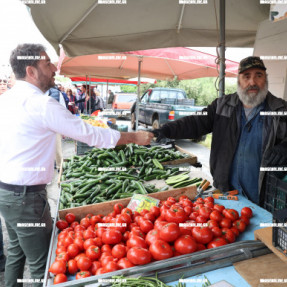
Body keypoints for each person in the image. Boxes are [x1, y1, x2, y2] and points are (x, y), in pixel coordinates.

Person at [0, 43, 153, 287]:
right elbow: (89, 134)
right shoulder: (42, 104)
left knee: (17, 254)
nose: (53, 69)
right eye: (47, 64)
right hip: (25, 199)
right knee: (43, 265)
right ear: (31, 70)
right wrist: (134, 137)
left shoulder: (6, 100)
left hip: (6, 192)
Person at [153, 56, 287, 206]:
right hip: (225, 192)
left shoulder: (280, 109)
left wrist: (284, 147)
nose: (252, 82)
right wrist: (166, 130)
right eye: (246, 76)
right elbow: (196, 122)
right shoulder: (222, 106)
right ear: (239, 80)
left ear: (266, 79)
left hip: (265, 198)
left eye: (259, 75)